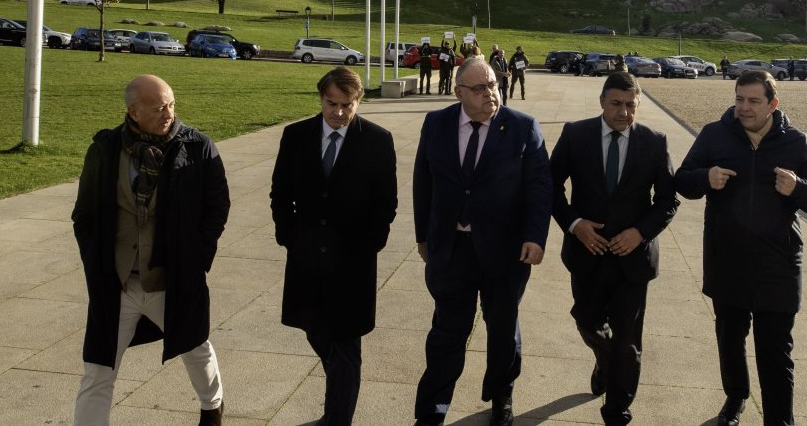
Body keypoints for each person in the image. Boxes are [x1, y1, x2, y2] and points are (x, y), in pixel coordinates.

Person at [674, 70, 807, 426]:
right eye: (739, 99)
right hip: (727, 260)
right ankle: (734, 401)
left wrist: (798, 188)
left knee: (775, 352)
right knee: (730, 341)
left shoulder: (794, 141)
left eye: (753, 101)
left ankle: (780, 420)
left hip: (778, 266)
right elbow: (682, 180)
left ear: (773, 104)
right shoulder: (715, 135)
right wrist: (706, 178)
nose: (743, 108)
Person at [71, 74, 229, 426]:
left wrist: (197, 259)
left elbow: (217, 207)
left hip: (172, 279)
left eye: (171, 104)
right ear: (133, 111)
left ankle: (212, 407)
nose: (168, 113)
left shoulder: (196, 147)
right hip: (118, 284)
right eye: (158, 107)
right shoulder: (105, 150)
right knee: (98, 370)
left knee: (195, 347)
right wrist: (95, 265)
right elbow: (84, 215)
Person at [411, 55, 553, 426]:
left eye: (493, 83)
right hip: (451, 248)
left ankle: (502, 396)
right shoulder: (437, 123)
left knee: (503, 328)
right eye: (480, 87)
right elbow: (423, 181)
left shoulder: (523, 127)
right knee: (447, 333)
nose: (492, 92)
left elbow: (540, 188)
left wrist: (536, 237)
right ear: (459, 93)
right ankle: (432, 409)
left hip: (506, 253)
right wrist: (423, 235)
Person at [270, 68, 398, 426]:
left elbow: (386, 202)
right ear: (320, 98)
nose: (339, 113)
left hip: (353, 263)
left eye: (348, 105)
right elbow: (281, 193)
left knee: (345, 345)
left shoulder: (377, 140)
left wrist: (371, 243)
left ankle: (337, 419)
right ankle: (339, 399)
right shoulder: (295, 136)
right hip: (306, 260)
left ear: (358, 101)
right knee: (315, 331)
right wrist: (288, 236)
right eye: (332, 104)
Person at [550, 72, 679, 425]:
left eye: (631, 105)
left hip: (632, 259)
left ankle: (617, 411)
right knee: (588, 321)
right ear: (603, 102)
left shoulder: (654, 141)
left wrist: (640, 232)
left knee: (628, 341)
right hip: (587, 253)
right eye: (616, 104)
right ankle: (604, 358)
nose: (623, 112)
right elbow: (549, 186)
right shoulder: (575, 135)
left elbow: (667, 201)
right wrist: (576, 225)